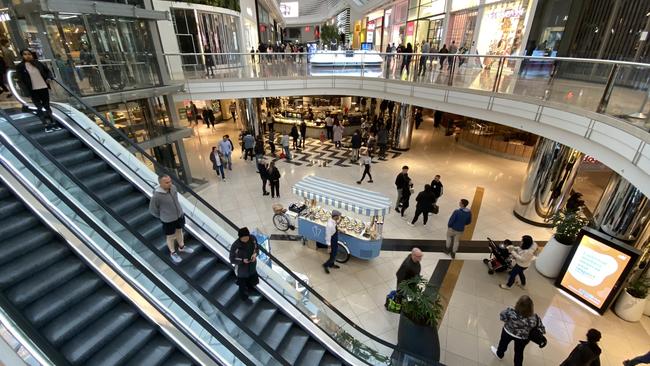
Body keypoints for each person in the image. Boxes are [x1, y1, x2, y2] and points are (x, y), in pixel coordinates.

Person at [149, 175, 194, 263]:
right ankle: (172, 252)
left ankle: (181, 247)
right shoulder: (156, 196)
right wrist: (163, 216)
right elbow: (153, 210)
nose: (170, 183)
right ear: (160, 183)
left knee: (179, 231)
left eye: (170, 181)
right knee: (170, 236)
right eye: (167, 182)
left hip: (179, 216)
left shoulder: (173, 188)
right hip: (168, 220)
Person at [491, 295, 545, 366]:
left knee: (503, 344)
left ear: (518, 304)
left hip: (508, 332)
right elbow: (542, 329)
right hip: (523, 338)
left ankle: (499, 354)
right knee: (519, 352)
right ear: (531, 307)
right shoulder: (535, 318)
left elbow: (502, 317)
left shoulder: (510, 311)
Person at [15, 49, 59, 133]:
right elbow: (20, 80)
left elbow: (47, 71)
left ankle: (53, 122)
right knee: (39, 107)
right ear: (22, 56)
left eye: (29, 54)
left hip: (43, 87)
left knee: (47, 105)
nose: (28, 56)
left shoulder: (37, 63)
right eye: (25, 54)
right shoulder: (21, 66)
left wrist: (49, 78)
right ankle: (46, 124)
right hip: (33, 90)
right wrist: (25, 91)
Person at [229, 227, 259, 300]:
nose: (246, 240)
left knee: (253, 281)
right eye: (244, 238)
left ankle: (250, 290)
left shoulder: (253, 239)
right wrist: (242, 261)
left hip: (252, 266)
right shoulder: (235, 246)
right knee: (242, 285)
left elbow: (257, 248)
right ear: (240, 238)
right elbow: (232, 259)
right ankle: (244, 297)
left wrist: (255, 254)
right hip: (242, 270)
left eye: (247, 238)